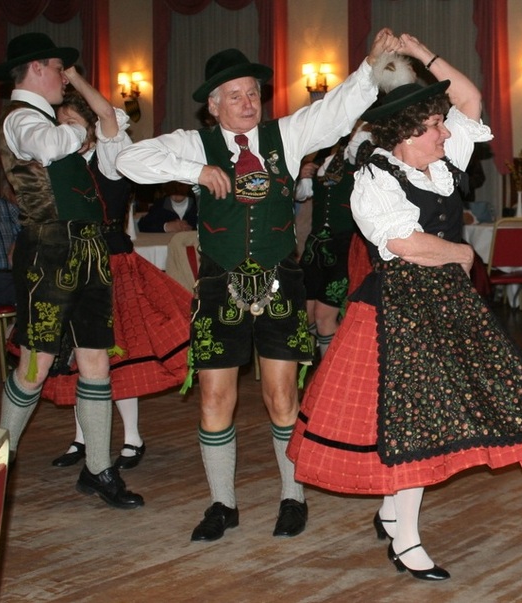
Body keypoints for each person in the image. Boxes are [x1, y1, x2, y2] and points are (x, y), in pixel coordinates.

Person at [287, 35, 522, 582]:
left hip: (444, 305)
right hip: (395, 309)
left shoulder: (440, 165)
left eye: (443, 125)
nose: (448, 131)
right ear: (407, 137)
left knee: (432, 416)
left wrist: (419, 51)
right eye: (436, 126)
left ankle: (393, 513)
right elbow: (403, 244)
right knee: (414, 421)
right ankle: (406, 541)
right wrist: (464, 252)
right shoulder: (373, 178)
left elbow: (470, 99)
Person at [116, 32, 391, 542]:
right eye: (235, 95)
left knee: (281, 395)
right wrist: (193, 169)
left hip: (281, 283)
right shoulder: (192, 144)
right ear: (212, 105)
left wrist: (371, 65)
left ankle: (293, 496)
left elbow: (338, 108)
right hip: (220, 285)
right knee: (214, 400)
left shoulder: (284, 136)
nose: (247, 103)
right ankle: (223, 503)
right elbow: (125, 162)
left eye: (253, 93)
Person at [0, 33, 142, 508]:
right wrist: (84, 130)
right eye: (60, 69)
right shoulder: (22, 119)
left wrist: (81, 85)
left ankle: (98, 469)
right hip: (49, 253)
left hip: (91, 250)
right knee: (35, 365)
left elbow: (114, 120)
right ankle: (1, 462)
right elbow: (52, 145)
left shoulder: (59, 122)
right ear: (38, 68)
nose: (65, 79)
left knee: (96, 360)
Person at [43, 87, 191, 471]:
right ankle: (83, 437)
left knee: (120, 353)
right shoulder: (62, 161)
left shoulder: (111, 157)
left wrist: (74, 76)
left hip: (111, 264)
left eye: (72, 123)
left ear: (91, 125)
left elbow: (109, 120)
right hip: (74, 264)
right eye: (61, 125)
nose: (66, 132)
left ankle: (131, 437)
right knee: (78, 355)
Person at [295, 119, 369, 358]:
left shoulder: (362, 162)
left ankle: (331, 376)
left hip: (343, 247)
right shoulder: (323, 163)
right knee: (304, 315)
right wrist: (303, 176)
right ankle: (319, 359)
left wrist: (357, 122)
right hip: (315, 247)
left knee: (325, 317)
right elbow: (301, 195)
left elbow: (359, 142)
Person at [0, 174, 18, 307]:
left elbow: (27, 229)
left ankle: (15, 326)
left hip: (11, 277)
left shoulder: (5, 207)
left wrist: (18, 244)